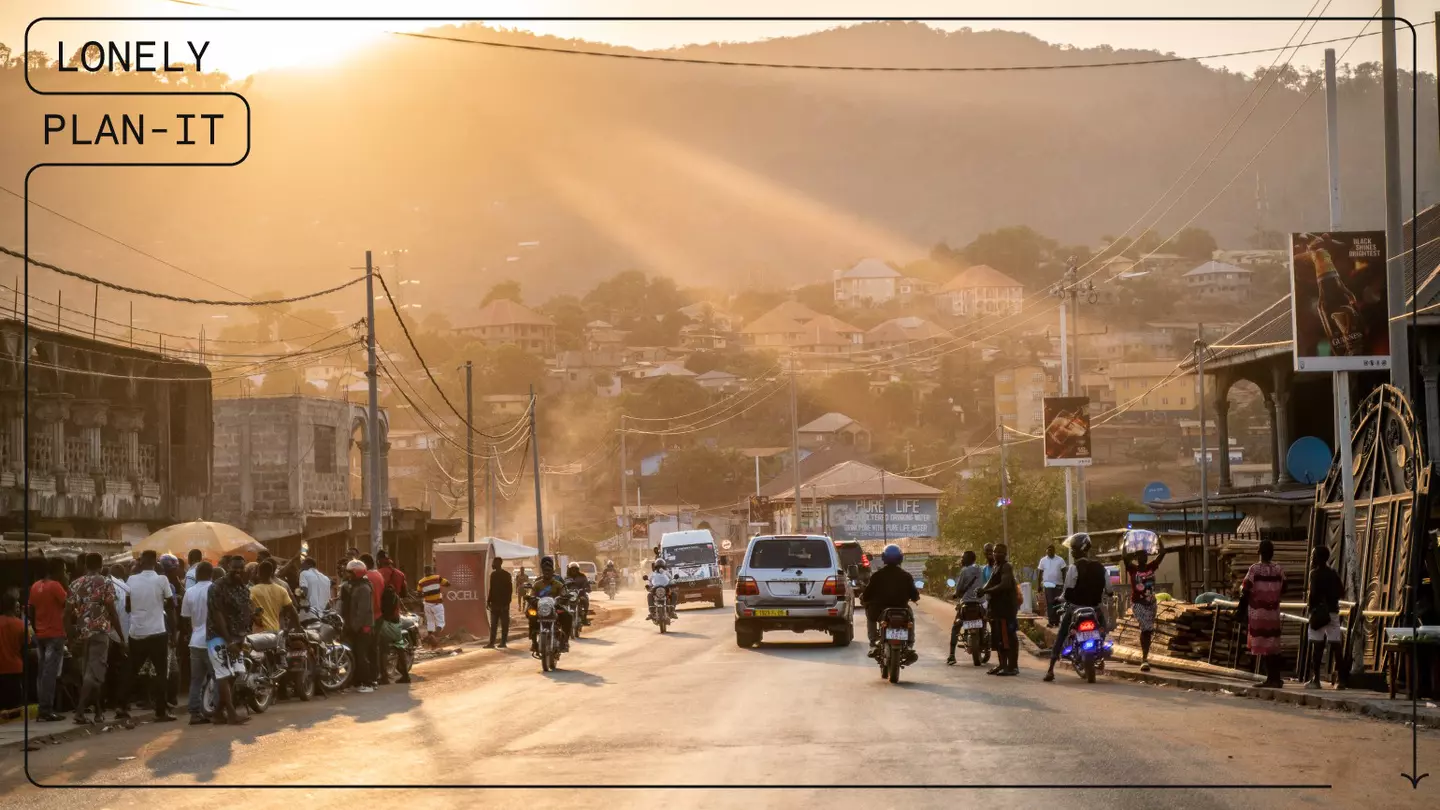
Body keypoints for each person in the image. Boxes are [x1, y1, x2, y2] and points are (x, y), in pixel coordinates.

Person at [65, 553, 122, 724]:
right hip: (100, 632)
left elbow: (66, 614)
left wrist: (70, 637)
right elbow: (112, 611)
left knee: (91, 674)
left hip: (83, 633)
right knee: (94, 674)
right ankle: (80, 712)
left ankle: (98, 711)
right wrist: (121, 636)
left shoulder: (75, 583)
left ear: (85, 566)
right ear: (101, 565)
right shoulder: (106, 582)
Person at [1045, 533, 1109, 682]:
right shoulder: (1100, 567)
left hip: (1075, 608)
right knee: (1103, 628)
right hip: (1095, 609)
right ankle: (1100, 651)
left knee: (1061, 634)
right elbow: (1110, 590)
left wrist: (1058, 600)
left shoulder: (1074, 568)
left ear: (1081, 550)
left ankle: (1050, 669)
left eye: (1074, 549)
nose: (1072, 552)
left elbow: (1067, 592)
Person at [125, 550, 176, 722]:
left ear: (141, 562)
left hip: (137, 631)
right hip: (157, 631)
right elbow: (171, 605)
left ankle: (121, 706)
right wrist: (173, 632)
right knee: (161, 673)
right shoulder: (162, 579)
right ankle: (161, 711)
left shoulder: (131, 580)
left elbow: (127, 606)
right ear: (155, 562)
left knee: (132, 670)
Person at [205, 557, 252, 724]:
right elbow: (217, 616)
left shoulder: (243, 588)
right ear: (227, 568)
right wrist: (229, 641)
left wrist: (243, 636)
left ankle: (218, 712)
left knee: (236, 672)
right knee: (223, 673)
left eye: (241, 569)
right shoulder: (216, 587)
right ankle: (231, 713)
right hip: (218, 636)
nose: (238, 572)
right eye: (234, 569)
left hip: (238, 636)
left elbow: (245, 612)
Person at [860, 545, 921, 663]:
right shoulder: (906, 576)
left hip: (879, 610)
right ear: (900, 559)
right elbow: (915, 595)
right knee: (910, 619)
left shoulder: (877, 576)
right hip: (902, 609)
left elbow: (867, 595)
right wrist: (914, 598)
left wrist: (864, 599)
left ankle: (873, 643)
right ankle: (909, 645)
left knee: (870, 616)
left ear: (884, 558)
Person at [1241, 539, 1286, 689]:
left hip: (1258, 612)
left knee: (1265, 647)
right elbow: (1285, 587)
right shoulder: (1278, 569)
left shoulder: (1254, 569)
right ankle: (1276, 678)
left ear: (1259, 552)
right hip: (1273, 612)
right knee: (1273, 645)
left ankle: (1270, 679)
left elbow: (1245, 588)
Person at [28, 557, 69, 722]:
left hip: (41, 634)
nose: (65, 573)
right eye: (64, 570)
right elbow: (69, 606)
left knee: (42, 672)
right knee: (50, 673)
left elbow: (31, 609)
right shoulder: (56, 586)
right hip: (55, 634)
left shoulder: (35, 586)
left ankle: (43, 707)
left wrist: (37, 628)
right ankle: (46, 709)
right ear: (58, 571)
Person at [1123, 534, 1168, 672]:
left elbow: (1162, 552)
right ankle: (1144, 659)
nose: (1144, 557)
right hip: (1138, 604)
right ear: (1137, 558)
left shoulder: (1151, 567)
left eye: (1146, 555)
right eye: (1141, 555)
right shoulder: (1132, 569)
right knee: (1146, 628)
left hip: (1151, 603)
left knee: (1148, 630)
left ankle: (1145, 658)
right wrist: (1125, 541)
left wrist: (1158, 537)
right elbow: (1124, 556)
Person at [1304, 546, 1344, 690]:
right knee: (1336, 644)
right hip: (1333, 612)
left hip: (1319, 613)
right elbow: (1341, 591)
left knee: (1317, 645)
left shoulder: (1314, 574)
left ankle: (1316, 679)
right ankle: (1341, 679)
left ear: (1318, 558)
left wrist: (1312, 606)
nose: (1312, 558)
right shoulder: (1333, 573)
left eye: (1313, 555)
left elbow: (1313, 594)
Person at [180, 561, 213, 724]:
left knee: (196, 680)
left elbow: (185, 617)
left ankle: (194, 713)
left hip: (195, 641)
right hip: (212, 640)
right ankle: (215, 710)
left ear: (198, 574)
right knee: (217, 677)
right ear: (211, 574)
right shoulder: (215, 589)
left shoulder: (190, 592)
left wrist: (192, 631)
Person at [979, 543, 1020, 676]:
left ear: (1005, 554)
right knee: (999, 639)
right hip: (997, 608)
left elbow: (1004, 584)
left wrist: (987, 590)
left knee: (1008, 637)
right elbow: (990, 582)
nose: (996, 554)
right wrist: (983, 590)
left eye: (1000, 552)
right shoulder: (996, 566)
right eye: (995, 552)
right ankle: (1002, 664)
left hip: (1006, 608)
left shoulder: (1007, 567)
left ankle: (1012, 666)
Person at [341, 560, 375, 693]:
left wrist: (354, 627)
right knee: (354, 655)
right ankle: (356, 682)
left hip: (363, 627)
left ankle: (368, 683)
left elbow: (362, 611)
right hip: (355, 626)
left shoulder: (364, 588)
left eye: (350, 573)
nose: (348, 576)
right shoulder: (354, 586)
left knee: (361, 656)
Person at [526, 557, 572, 653]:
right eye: (545, 570)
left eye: (549, 570)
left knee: (568, 616)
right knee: (531, 614)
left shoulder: (558, 584)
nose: (547, 572)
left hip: (555, 607)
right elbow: (532, 594)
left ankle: (565, 641)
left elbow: (563, 593)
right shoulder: (537, 584)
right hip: (540, 607)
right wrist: (530, 598)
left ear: (552, 572)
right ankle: (534, 642)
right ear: (542, 571)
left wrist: (564, 597)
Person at [947, 550, 984, 666]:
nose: (961, 560)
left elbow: (959, 590)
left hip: (967, 604)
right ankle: (983, 643)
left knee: (956, 627)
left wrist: (955, 595)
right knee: (984, 621)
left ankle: (952, 655)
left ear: (967, 559)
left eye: (963, 558)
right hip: (980, 603)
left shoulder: (964, 571)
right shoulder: (981, 569)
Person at [104, 563, 131, 719]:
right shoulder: (126, 588)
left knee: (110, 669)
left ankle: (110, 700)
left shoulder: (110, 586)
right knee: (121, 669)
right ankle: (120, 701)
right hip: (122, 633)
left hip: (110, 633)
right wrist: (123, 638)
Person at [250, 560, 299, 634]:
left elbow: (247, 610)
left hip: (259, 634)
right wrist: (296, 627)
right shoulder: (281, 590)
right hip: (276, 632)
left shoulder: (252, 590)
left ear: (259, 574)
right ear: (271, 573)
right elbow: (293, 611)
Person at [0, 593, 24, 716]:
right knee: (15, 707)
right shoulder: (20, 624)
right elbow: (26, 645)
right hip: (15, 668)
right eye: (18, 607)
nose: (19, 610)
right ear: (13, 608)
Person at [1037, 544, 1067, 628]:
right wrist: (1039, 585)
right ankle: (1051, 621)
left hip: (1058, 584)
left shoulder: (1060, 560)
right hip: (1048, 584)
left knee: (1057, 602)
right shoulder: (1043, 560)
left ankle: (1056, 621)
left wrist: (1065, 584)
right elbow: (1040, 573)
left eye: (1051, 550)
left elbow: (1064, 571)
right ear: (1046, 551)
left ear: (1054, 551)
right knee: (1050, 602)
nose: (1049, 552)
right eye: (1048, 550)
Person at [483, 559, 509, 648]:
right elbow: (491, 589)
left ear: (499, 563)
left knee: (504, 624)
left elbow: (509, 591)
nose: (493, 565)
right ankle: (491, 643)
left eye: (494, 563)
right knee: (493, 625)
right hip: (494, 604)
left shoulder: (506, 575)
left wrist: (506, 604)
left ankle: (503, 642)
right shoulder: (493, 575)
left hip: (503, 604)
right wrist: (488, 601)